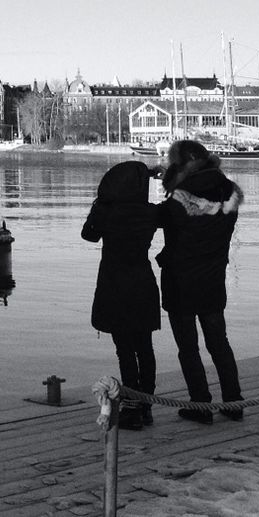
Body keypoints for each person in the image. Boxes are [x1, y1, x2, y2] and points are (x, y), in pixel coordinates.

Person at [156, 139, 243, 424]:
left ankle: (200, 404)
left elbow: (154, 217)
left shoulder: (179, 199)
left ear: (186, 162)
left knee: (189, 346)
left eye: (172, 160)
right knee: (219, 341)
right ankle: (233, 401)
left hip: (181, 279)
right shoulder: (228, 192)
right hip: (214, 275)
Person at [81, 160, 161, 430]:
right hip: (142, 281)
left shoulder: (107, 212)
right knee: (145, 347)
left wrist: (98, 206)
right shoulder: (149, 213)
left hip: (114, 283)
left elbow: (88, 236)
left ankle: (131, 405)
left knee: (125, 349)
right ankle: (145, 405)